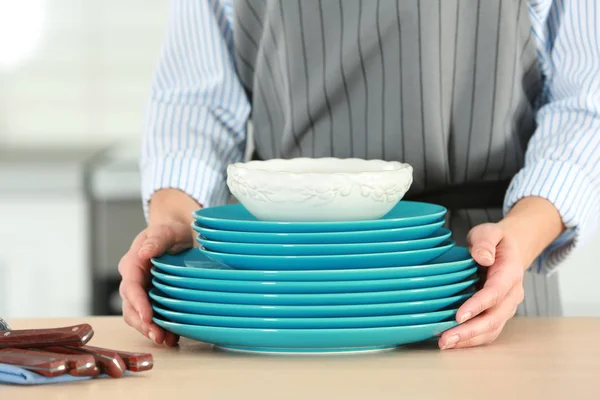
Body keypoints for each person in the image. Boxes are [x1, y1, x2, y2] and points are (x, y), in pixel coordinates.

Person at [118, 0, 600, 350]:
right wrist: (177, 221)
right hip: (277, 299)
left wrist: (523, 233)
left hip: (488, 281)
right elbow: (195, 101)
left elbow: (585, 104)